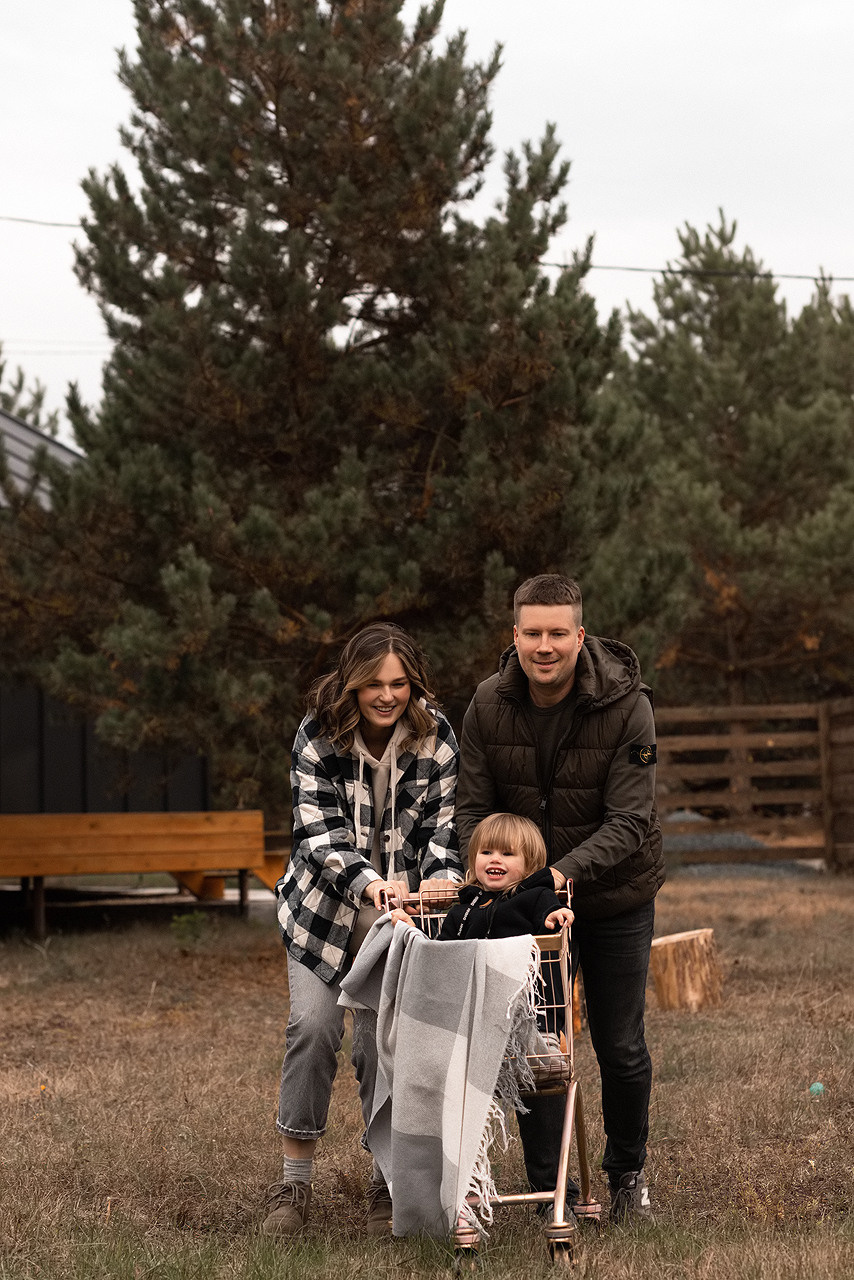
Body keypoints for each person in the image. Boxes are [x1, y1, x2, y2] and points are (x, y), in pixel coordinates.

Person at [455, 574, 664, 1224]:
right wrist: (507, 882)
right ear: (514, 635)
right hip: (524, 909)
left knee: (620, 1044)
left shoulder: (630, 707)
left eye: (557, 634)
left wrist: (561, 873)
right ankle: (557, 1196)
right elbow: (471, 812)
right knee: (538, 1044)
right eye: (532, 633)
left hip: (615, 896)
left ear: (579, 635)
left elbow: (630, 820)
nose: (544, 647)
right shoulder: (488, 705)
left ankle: (626, 1173)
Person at [264, 623, 463, 1238]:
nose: (386, 695)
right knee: (315, 1027)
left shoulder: (437, 737)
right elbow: (318, 837)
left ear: (414, 683)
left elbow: (443, 831)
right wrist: (369, 882)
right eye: (373, 683)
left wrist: (442, 880)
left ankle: (388, 1183)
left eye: (398, 683)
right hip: (323, 914)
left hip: (398, 922)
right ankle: (293, 1188)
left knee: (381, 1044)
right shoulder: (316, 736)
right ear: (351, 684)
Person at [390, 811, 573, 941]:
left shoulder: (538, 896)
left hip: (522, 988)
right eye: (486, 852)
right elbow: (441, 953)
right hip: (475, 993)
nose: (495, 859)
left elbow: (549, 922)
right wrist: (413, 929)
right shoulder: (463, 909)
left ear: (530, 864)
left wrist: (554, 917)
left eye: (507, 854)